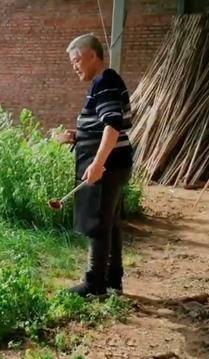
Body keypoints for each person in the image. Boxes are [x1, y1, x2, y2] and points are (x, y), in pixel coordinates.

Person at [58, 34, 134, 297]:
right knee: (111, 222)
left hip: (108, 166)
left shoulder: (105, 81)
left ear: (92, 55)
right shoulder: (104, 83)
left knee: (98, 223)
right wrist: (78, 135)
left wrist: (98, 163)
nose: (75, 66)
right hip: (115, 164)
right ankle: (113, 279)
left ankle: (95, 284)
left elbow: (113, 126)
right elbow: (103, 125)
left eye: (77, 60)